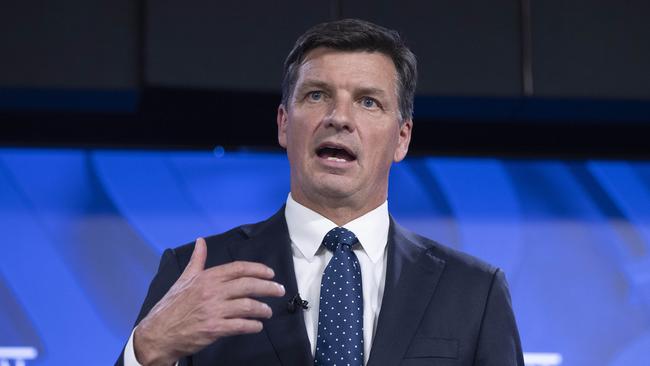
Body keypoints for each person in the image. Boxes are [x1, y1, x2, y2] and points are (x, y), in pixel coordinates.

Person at [117, 18, 524, 366]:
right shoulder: (194, 272)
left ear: (402, 138)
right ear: (283, 124)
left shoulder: (474, 291)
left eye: (368, 102)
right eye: (317, 95)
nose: (339, 118)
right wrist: (147, 349)